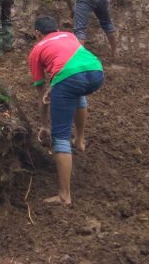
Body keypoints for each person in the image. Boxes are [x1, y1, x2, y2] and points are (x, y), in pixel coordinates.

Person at [28, 16, 104, 206]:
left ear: (37, 33)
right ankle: (79, 140)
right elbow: (71, 64)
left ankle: (64, 196)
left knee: (60, 135)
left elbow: (41, 95)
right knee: (77, 92)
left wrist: (44, 125)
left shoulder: (37, 50)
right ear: (56, 29)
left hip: (69, 78)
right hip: (96, 72)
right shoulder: (69, 36)